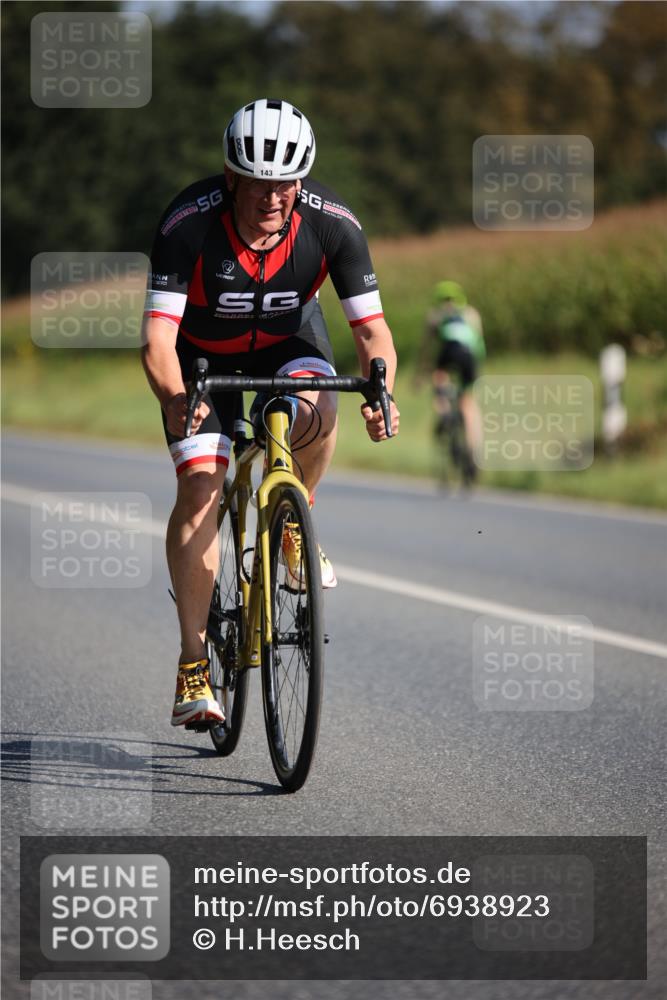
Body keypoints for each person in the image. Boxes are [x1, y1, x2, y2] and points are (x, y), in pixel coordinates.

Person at [141, 98, 400, 728]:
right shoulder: (188, 222)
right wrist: (175, 400)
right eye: (258, 183)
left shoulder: (333, 224)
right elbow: (156, 340)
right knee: (201, 485)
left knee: (317, 403)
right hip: (201, 357)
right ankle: (194, 664)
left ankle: (293, 516)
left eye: (285, 183)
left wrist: (382, 393)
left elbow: (372, 333)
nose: (272, 197)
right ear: (231, 178)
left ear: (301, 182)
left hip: (290, 341)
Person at [418, 280, 485, 461]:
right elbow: (479, 344)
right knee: (468, 404)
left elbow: (426, 350)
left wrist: (420, 375)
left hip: (449, 351)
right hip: (469, 356)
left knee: (439, 380)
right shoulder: (471, 313)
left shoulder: (435, 314)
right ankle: (473, 452)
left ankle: (444, 413)